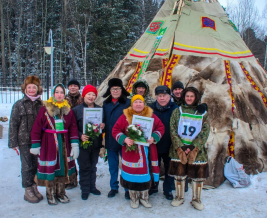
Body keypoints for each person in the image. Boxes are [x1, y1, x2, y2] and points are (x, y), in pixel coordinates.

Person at [30, 84, 79, 205]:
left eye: (62, 92)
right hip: (49, 143)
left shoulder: (68, 110)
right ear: (53, 94)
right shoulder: (45, 109)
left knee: (63, 168)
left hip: (64, 143)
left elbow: (73, 127)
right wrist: (36, 144)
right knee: (51, 168)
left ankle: (61, 193)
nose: (59, 95)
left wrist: (75, 144)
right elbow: (36, 127)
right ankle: (50, 194)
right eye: (57, 92)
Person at [112, 94, 165, 208]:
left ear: (144, 104)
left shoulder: (151, 116)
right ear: (132, 104)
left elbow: (161, 127)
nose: (138, 104)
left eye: (140, 102)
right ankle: (134, 198)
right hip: (131, 151)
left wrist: (154, 137)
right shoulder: (125, 116)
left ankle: (145, 198)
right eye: (135, 102)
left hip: (147, 151)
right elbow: (115, 130)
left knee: (146, 175)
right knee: (132, 176)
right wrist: (125, 139)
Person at [169, 87, 210, 210]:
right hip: (180, 148)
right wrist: (181, 146)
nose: (189, 98)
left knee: (198, 176)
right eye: (187, 96)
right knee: (179, 175)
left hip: (196, 149)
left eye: (192, 96)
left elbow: (205, 131)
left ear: (196, 97)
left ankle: (196, 199)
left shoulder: (202, 112)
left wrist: (194, 147)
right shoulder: (178, 111)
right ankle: (179, 197)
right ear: (183, 97)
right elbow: (173, 129)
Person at [8, 75, 44, 203]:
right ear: (25, 89)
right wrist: (13, 142)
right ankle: (28, 189)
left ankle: (34, 186)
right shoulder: (19, 104)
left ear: (37, 89)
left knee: (35, 165)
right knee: (27, 165)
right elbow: (13, 123)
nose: (31, 89)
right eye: (29, 87)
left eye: (34, 87)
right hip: (24, 140)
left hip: (38, 140)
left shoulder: (41, 104)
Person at [72, 85, 105, 200]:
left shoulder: (100, 109)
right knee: (84, 166)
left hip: (95, 143)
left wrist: (103, 126)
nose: (91, 97)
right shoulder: (76, 110)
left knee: (93, 166)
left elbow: (103, 126)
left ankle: (92, 187)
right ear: (84, 95)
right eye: (89, 94)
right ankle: (85, 189)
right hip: (83, 144)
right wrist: (80, 135)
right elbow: (73, 128)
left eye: (93, 94)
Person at [102, 78, 131, 199]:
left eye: (117, 88)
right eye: (113, 89)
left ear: (121, 89)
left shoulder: (128, 103)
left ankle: (127, 188)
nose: (115, 91)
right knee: (112, 166)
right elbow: (103, 119)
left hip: (124, 139)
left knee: (125, 165)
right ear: (109, 90)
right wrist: (101, 125)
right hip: (110, 139)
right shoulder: (106, 103)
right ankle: (114, 187)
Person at [149, 86, 178, 200]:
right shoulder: (150, 109)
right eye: (159, 96)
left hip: (169, 145)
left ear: (169, 97)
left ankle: (168, 190)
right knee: (153, 167)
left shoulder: (175, 109)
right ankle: (153, 186)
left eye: (164, 96)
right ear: (156, 97)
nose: (162, 98)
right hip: (154, 145)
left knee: (169, 169)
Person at [65, 79, 83, 189]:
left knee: (81, 156)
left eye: (75, 86)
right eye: (71, 85)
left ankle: (83, 179)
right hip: (68, 131)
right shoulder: (64, 99)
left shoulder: (82, 99)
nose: (73, 87)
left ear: (78, 87)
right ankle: (71, 179)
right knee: (69, 157)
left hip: (81, 130)